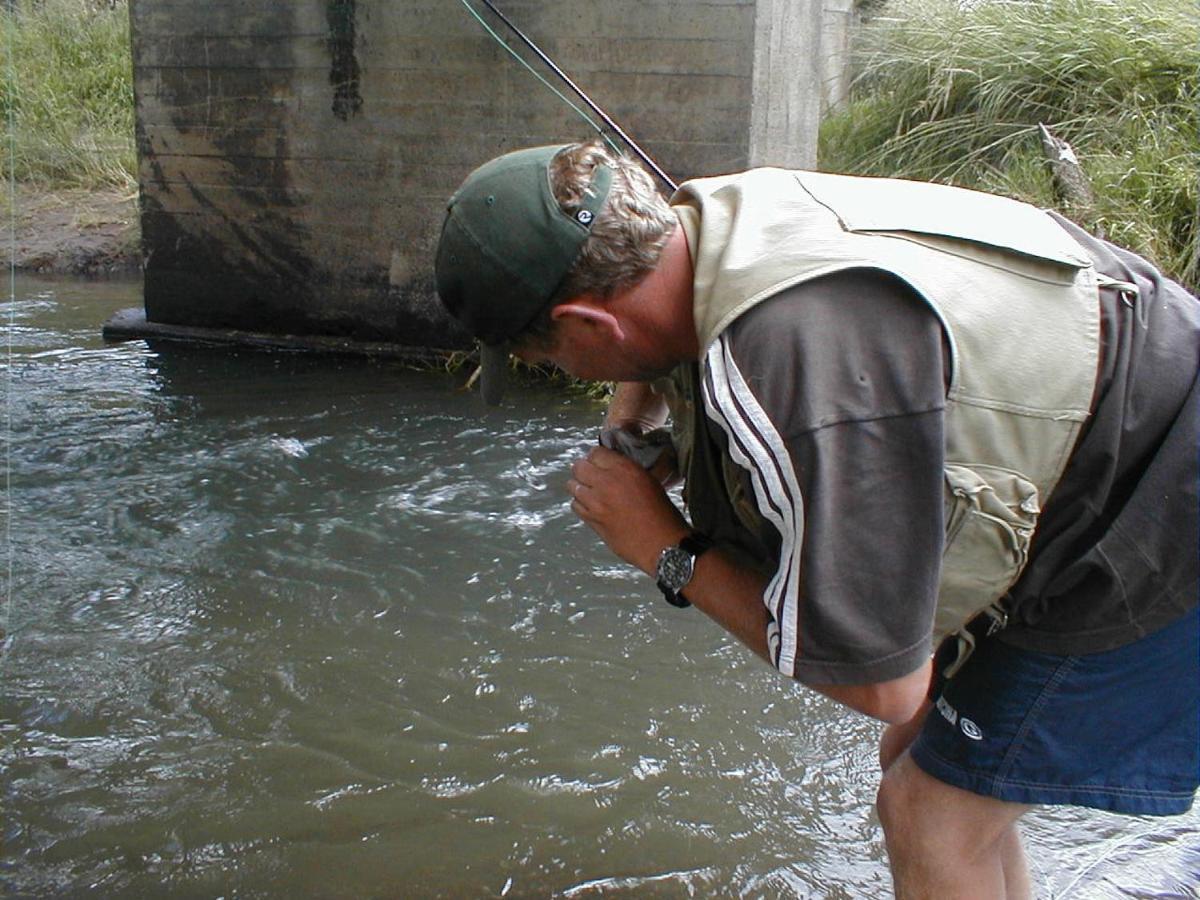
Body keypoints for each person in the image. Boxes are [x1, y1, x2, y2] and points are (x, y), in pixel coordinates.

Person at [433, 140, 1199, 898]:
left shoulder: (798, 376)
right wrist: (634, 432)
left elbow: (886, 685)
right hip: (1125, 393)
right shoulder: (703, 219)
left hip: (1157, 505)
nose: (567, 374)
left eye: (553, 357)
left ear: (593, 325)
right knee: (920, 755)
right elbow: (655, 342)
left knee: (930, 815)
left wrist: (667, 549)